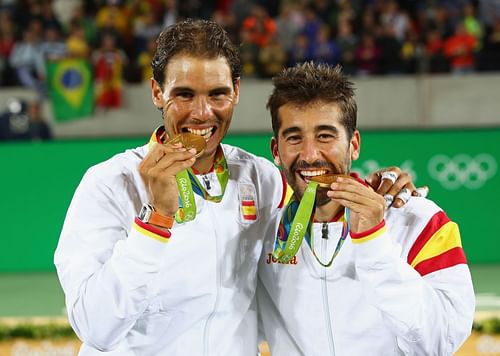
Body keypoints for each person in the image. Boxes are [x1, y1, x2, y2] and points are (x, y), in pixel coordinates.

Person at [54, 20, 422, 355]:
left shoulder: (260, 178)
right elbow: (95, 328)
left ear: (236, 92)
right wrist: (155, 222)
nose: (202, 113)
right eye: (184, 94)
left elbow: (318, 192)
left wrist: (383, 185)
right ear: (156, 92)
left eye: (217, 94)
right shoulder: (109, 184)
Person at [257, 62, 475, 356]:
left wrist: (373, 241)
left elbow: (441, 340)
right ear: (276, 151)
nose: (310, 155)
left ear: (354, 145)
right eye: (294, 138)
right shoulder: (261, 237)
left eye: (325, 136)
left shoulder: (420, 222)